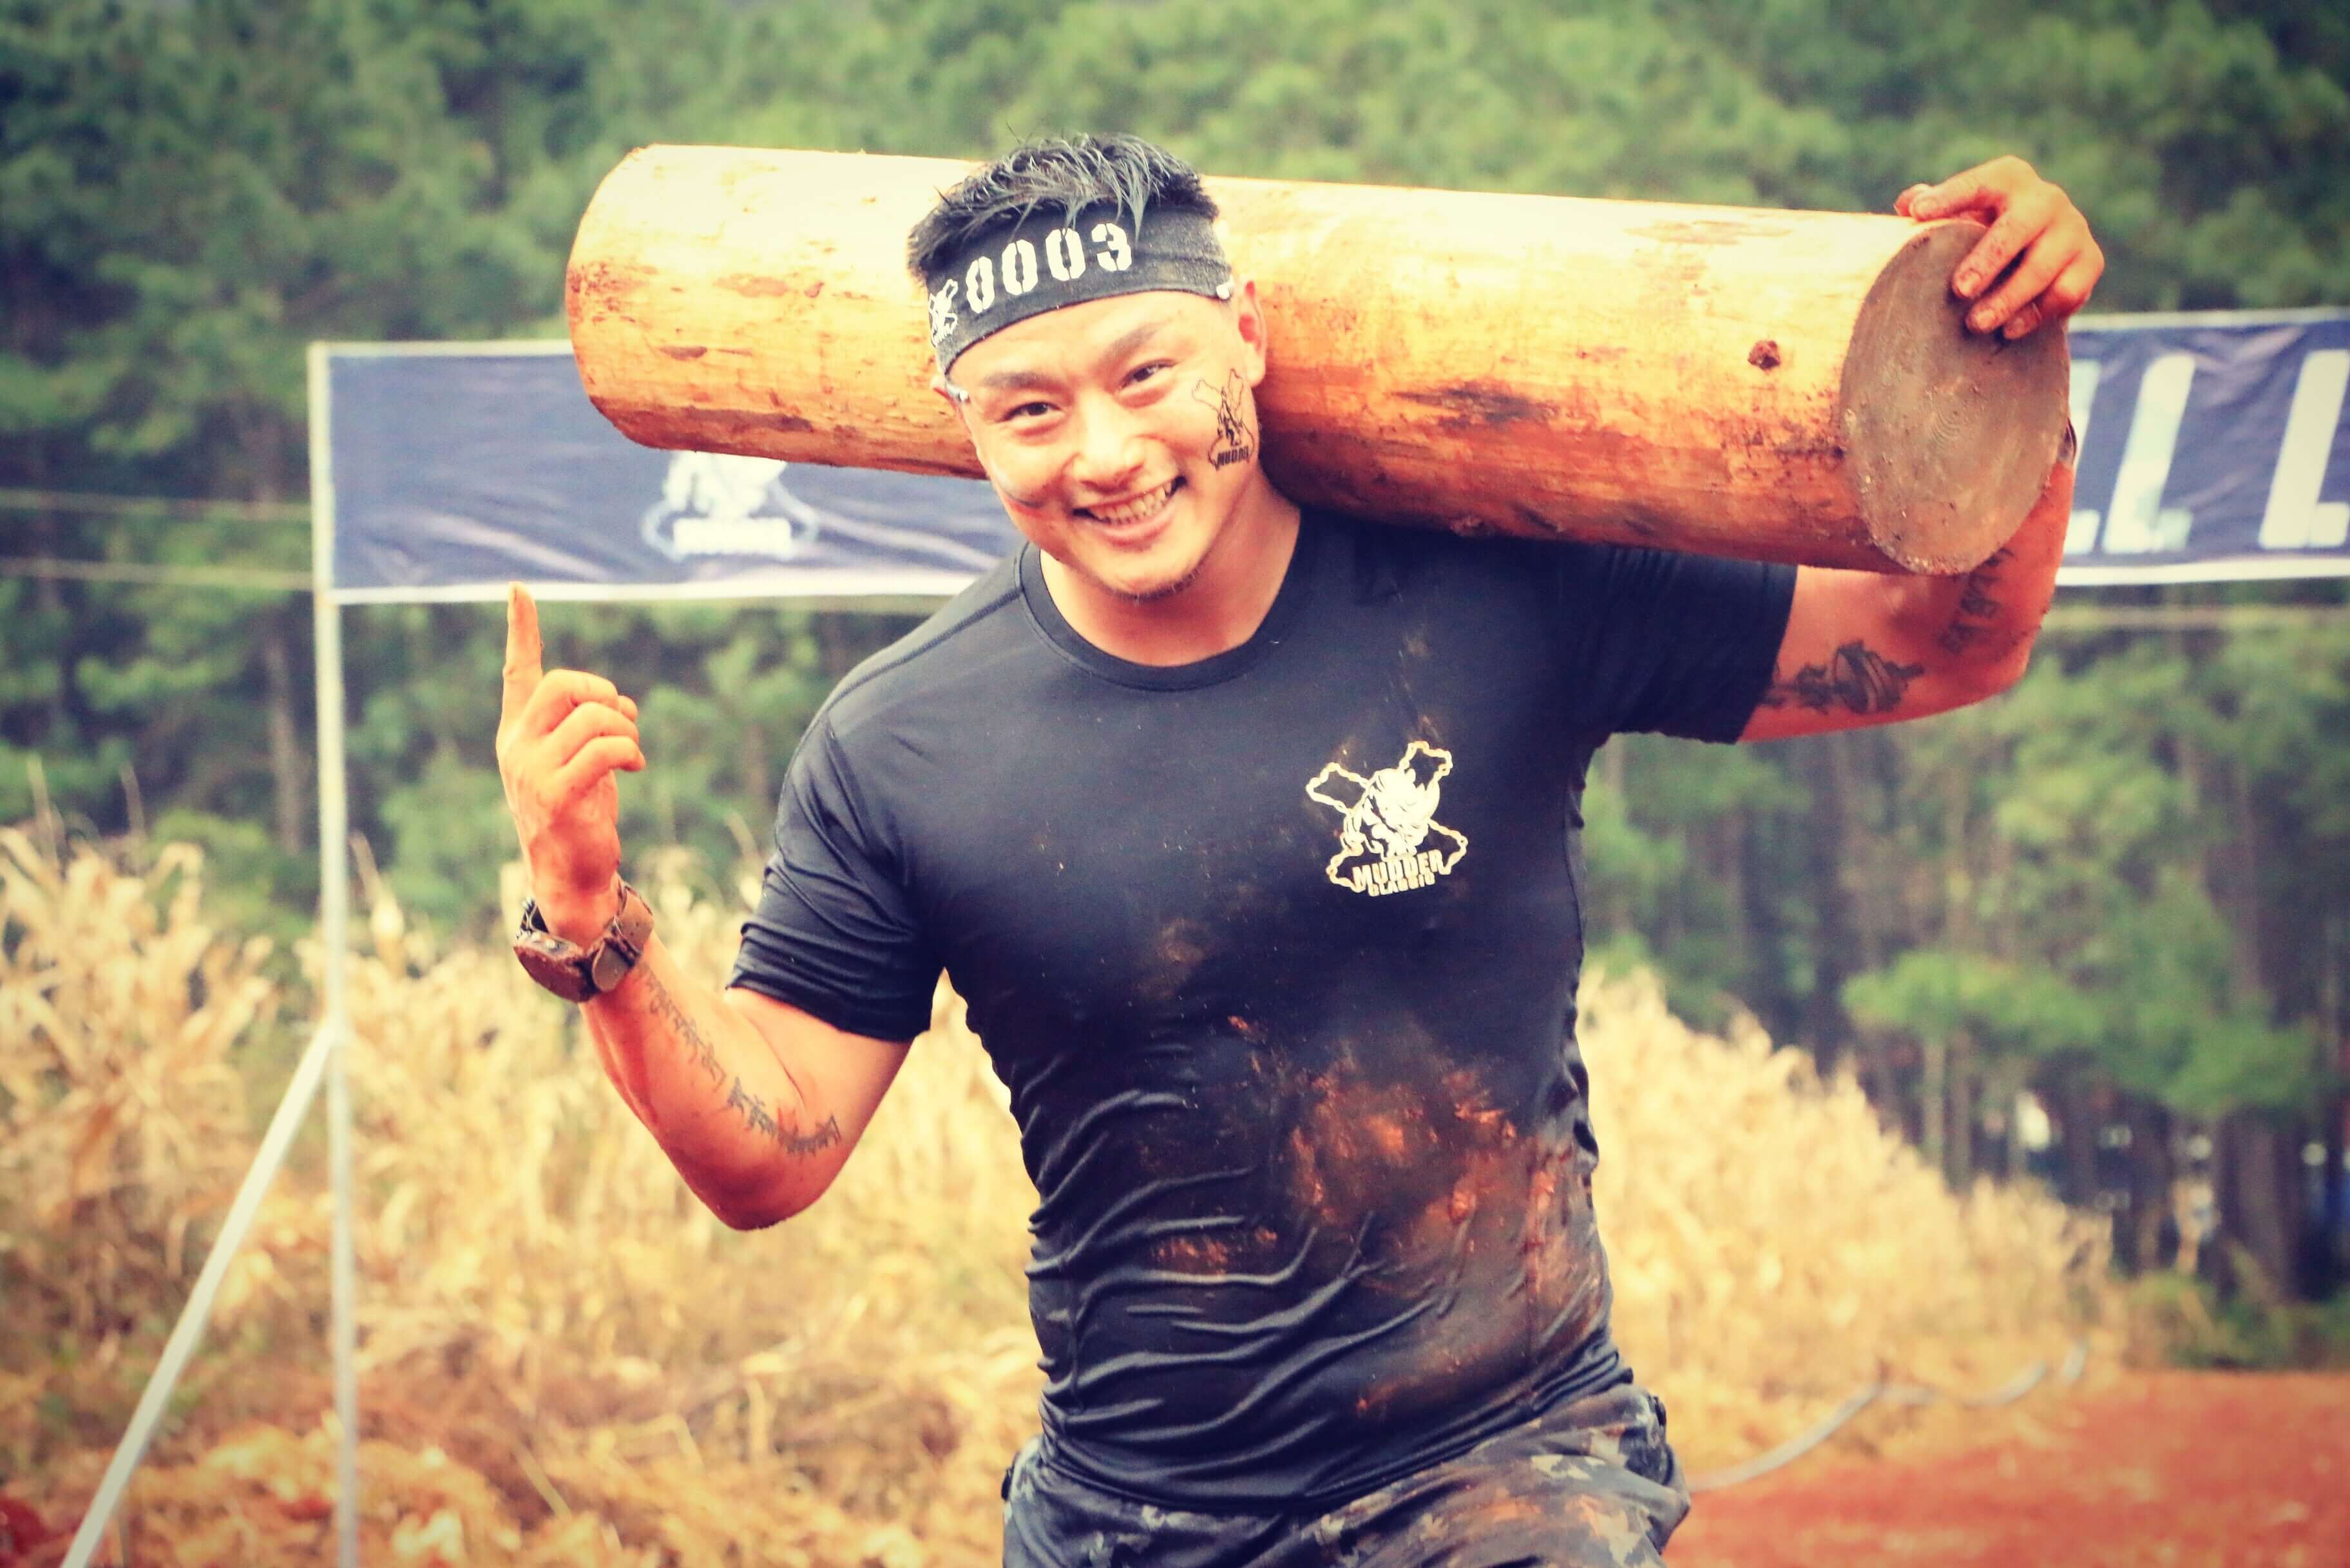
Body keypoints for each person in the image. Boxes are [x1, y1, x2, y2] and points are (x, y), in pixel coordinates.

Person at [495, 135, 2103, 1566]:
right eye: (1031, 409)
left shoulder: (1505, 588)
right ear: (960, 423)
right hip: (1133, 1512)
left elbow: (1943, 642)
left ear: (1247, 335)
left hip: (1512, 1469)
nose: (1105, 452)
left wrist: (2013, 358)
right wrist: (595, 926)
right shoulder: (904, 743)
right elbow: (770, 1157)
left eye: (1148, 375)